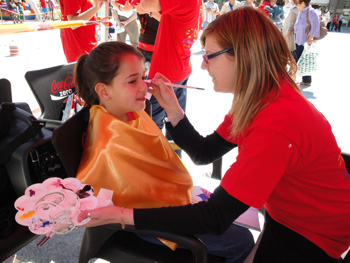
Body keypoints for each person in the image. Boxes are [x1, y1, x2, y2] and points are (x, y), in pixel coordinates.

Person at [78, 7, 350, 263]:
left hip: (313, 232)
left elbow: (214, 217)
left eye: (209, 56)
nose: (204, 66)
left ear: (242, 55)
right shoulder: (260, 97)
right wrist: (173, 110)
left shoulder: (276, 122)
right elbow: (204, 152)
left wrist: (119, 215)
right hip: (290, 215)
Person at [73, 41, 255, 263]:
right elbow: (136, 198)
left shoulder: (129, 114)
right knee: (243, 240)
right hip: (145, 222)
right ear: (103, 91)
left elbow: (200, 154)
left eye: (143, 76)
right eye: (132, 81)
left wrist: (171, 107)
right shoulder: (109, 141)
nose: (144, 86)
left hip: (164, 205)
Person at [138, 0, 202, 157]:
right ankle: (174, 168)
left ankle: (155, 168)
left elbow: (146, 5)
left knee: (151, 127)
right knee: (176, 124)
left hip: (166, 71)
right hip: (178, 68)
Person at [293, 0, 320, 86]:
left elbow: (316, 25)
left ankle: (290, 78)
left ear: (303, 4)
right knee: (304, 60)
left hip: (305, 41)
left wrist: (311, 37)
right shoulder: (302, 12)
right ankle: (307, 80)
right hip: (299, 40)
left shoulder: (311, 12)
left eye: (297, 4)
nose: (296, 6)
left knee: (295, 60)